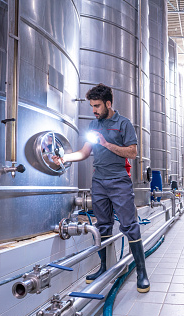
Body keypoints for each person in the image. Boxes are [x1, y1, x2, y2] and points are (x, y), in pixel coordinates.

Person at [53, 83, 149, 293]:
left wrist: (106, 145)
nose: (94, 110)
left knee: (129, 225)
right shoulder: (93, 126)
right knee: (103, 225)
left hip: (119, 180)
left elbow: (132, 152)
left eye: (97, 105)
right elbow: (85, 153)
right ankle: (104, 267)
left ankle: (142, 272)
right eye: (91, 106)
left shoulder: (124, 124)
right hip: (99, 181)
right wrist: (64, 158)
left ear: (108, 103)